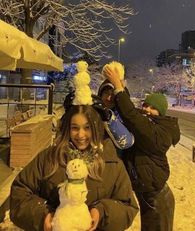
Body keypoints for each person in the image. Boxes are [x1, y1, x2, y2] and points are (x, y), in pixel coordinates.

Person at [10, 105, 139, 231]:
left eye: (87, 128)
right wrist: (45, 217)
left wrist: (101, 213)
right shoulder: (49, 158)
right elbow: (20, 192)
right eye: (75, 128)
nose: (80, 135)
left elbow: (127, 207)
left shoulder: (112, 164)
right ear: (67, 129)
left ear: (96, 129)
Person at [103, 64, 181, 231]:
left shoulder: (161, 133)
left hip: (158, 199)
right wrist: (119, 89)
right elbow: (129, 111)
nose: (147, 109)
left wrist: (118, 86)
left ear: (161, 112)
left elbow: (133, 117)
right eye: (145, 105)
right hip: (148, 195)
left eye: (153, 108)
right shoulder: (150, 123)